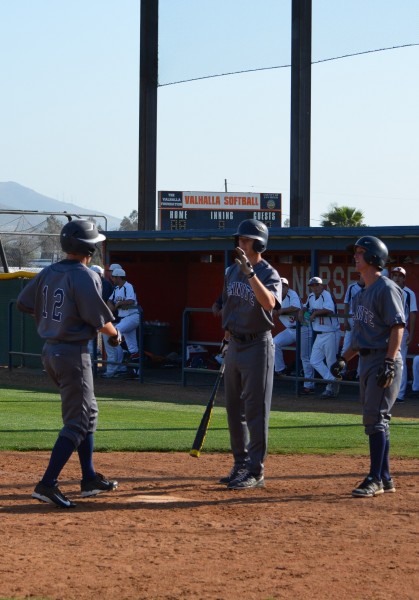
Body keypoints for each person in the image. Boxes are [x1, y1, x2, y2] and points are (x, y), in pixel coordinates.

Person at [16, 219, 121, 508]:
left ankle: (88, 479)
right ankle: (46, 484)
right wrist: (117, 336)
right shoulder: (85, 275)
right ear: (88, 247)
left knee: (88, 415)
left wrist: (51, 317)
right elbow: (100, 320)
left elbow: (23, 303)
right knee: (77, 421)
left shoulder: (49, 270)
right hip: (73, 354)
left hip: (51, 351)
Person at [331, 235, 405, 497]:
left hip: (384, 359)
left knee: (376, 419)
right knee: (376, 419)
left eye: (361, 252)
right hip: (366, 359)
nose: (356, 256)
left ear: (374, 258)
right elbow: (360, 338)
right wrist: (343, 358)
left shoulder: (386, 288)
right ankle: (385, 478)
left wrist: (389, 361)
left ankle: (374, 479)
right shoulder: (361, 293)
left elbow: (398, 326)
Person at [218, 219, 282, 490]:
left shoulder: (268, 273)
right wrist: (226, 338)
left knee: (255, 411)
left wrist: (250, 274)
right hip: (235, 344)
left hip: (258, 346)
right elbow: (228, 307)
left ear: (259, 244)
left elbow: (269, 304)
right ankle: (240, 464)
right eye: (239, 240)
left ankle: (256, 470)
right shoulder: (231, 271)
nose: (240, 245)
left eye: (245, 241)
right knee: (234, 409)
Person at [305, 277, 341, 398]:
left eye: (316, 285)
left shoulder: (326, 295)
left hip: (331, 333)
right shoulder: (311, 296)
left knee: (331, 362)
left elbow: (329, 310)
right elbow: (305, 307)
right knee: (313, 360)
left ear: (322, 286)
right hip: (319, 334)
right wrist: (302, 312)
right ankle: (332, 380)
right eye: (312, 286)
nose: (314, 287)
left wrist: (314, 313)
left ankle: (329, 389)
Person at [102, 268, 140, 378]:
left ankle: (120, 359)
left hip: (133, 317)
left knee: (114, 332)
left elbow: (131, 300)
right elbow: (109, 300)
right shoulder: (116, 288)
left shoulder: (128, 286)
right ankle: (137, 372)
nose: (112, 279)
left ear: (119, 277)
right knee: (132, 347)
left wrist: (118, 304)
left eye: (113, 277)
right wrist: (112, 306)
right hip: (125, 318)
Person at [390, 266, 417, 403]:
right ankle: (389, 391)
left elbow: (412, 314)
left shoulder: (409, 293)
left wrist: (411, 334)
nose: (397, 277)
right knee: (387, 360)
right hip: (387, 330)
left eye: (400, 275)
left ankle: (400, 394)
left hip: (401, 330)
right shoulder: (388, 291)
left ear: (404, 278)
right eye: (395, 275)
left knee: (400, 361)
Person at [273, 277, 302, 377]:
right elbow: (270, 309)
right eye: (279, 286)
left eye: (283, 286)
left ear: (287, 287)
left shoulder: (292, 293)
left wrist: (281, 311)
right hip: (290, 330)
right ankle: (280, 370)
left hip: (302, 329)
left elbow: (296, 307)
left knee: (306, 356)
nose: (280, 288)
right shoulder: (275, 296)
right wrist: (274, 311)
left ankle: (309, 380)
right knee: (274, 343)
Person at [340, 275, 365, 378]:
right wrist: (345, 320)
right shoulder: (352, 287)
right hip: (351, 318)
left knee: (362, 349)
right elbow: (346, 303)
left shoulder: (370, 287)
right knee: (346, 346)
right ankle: (341, 370)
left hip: (364, 320)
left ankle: (360, 373)